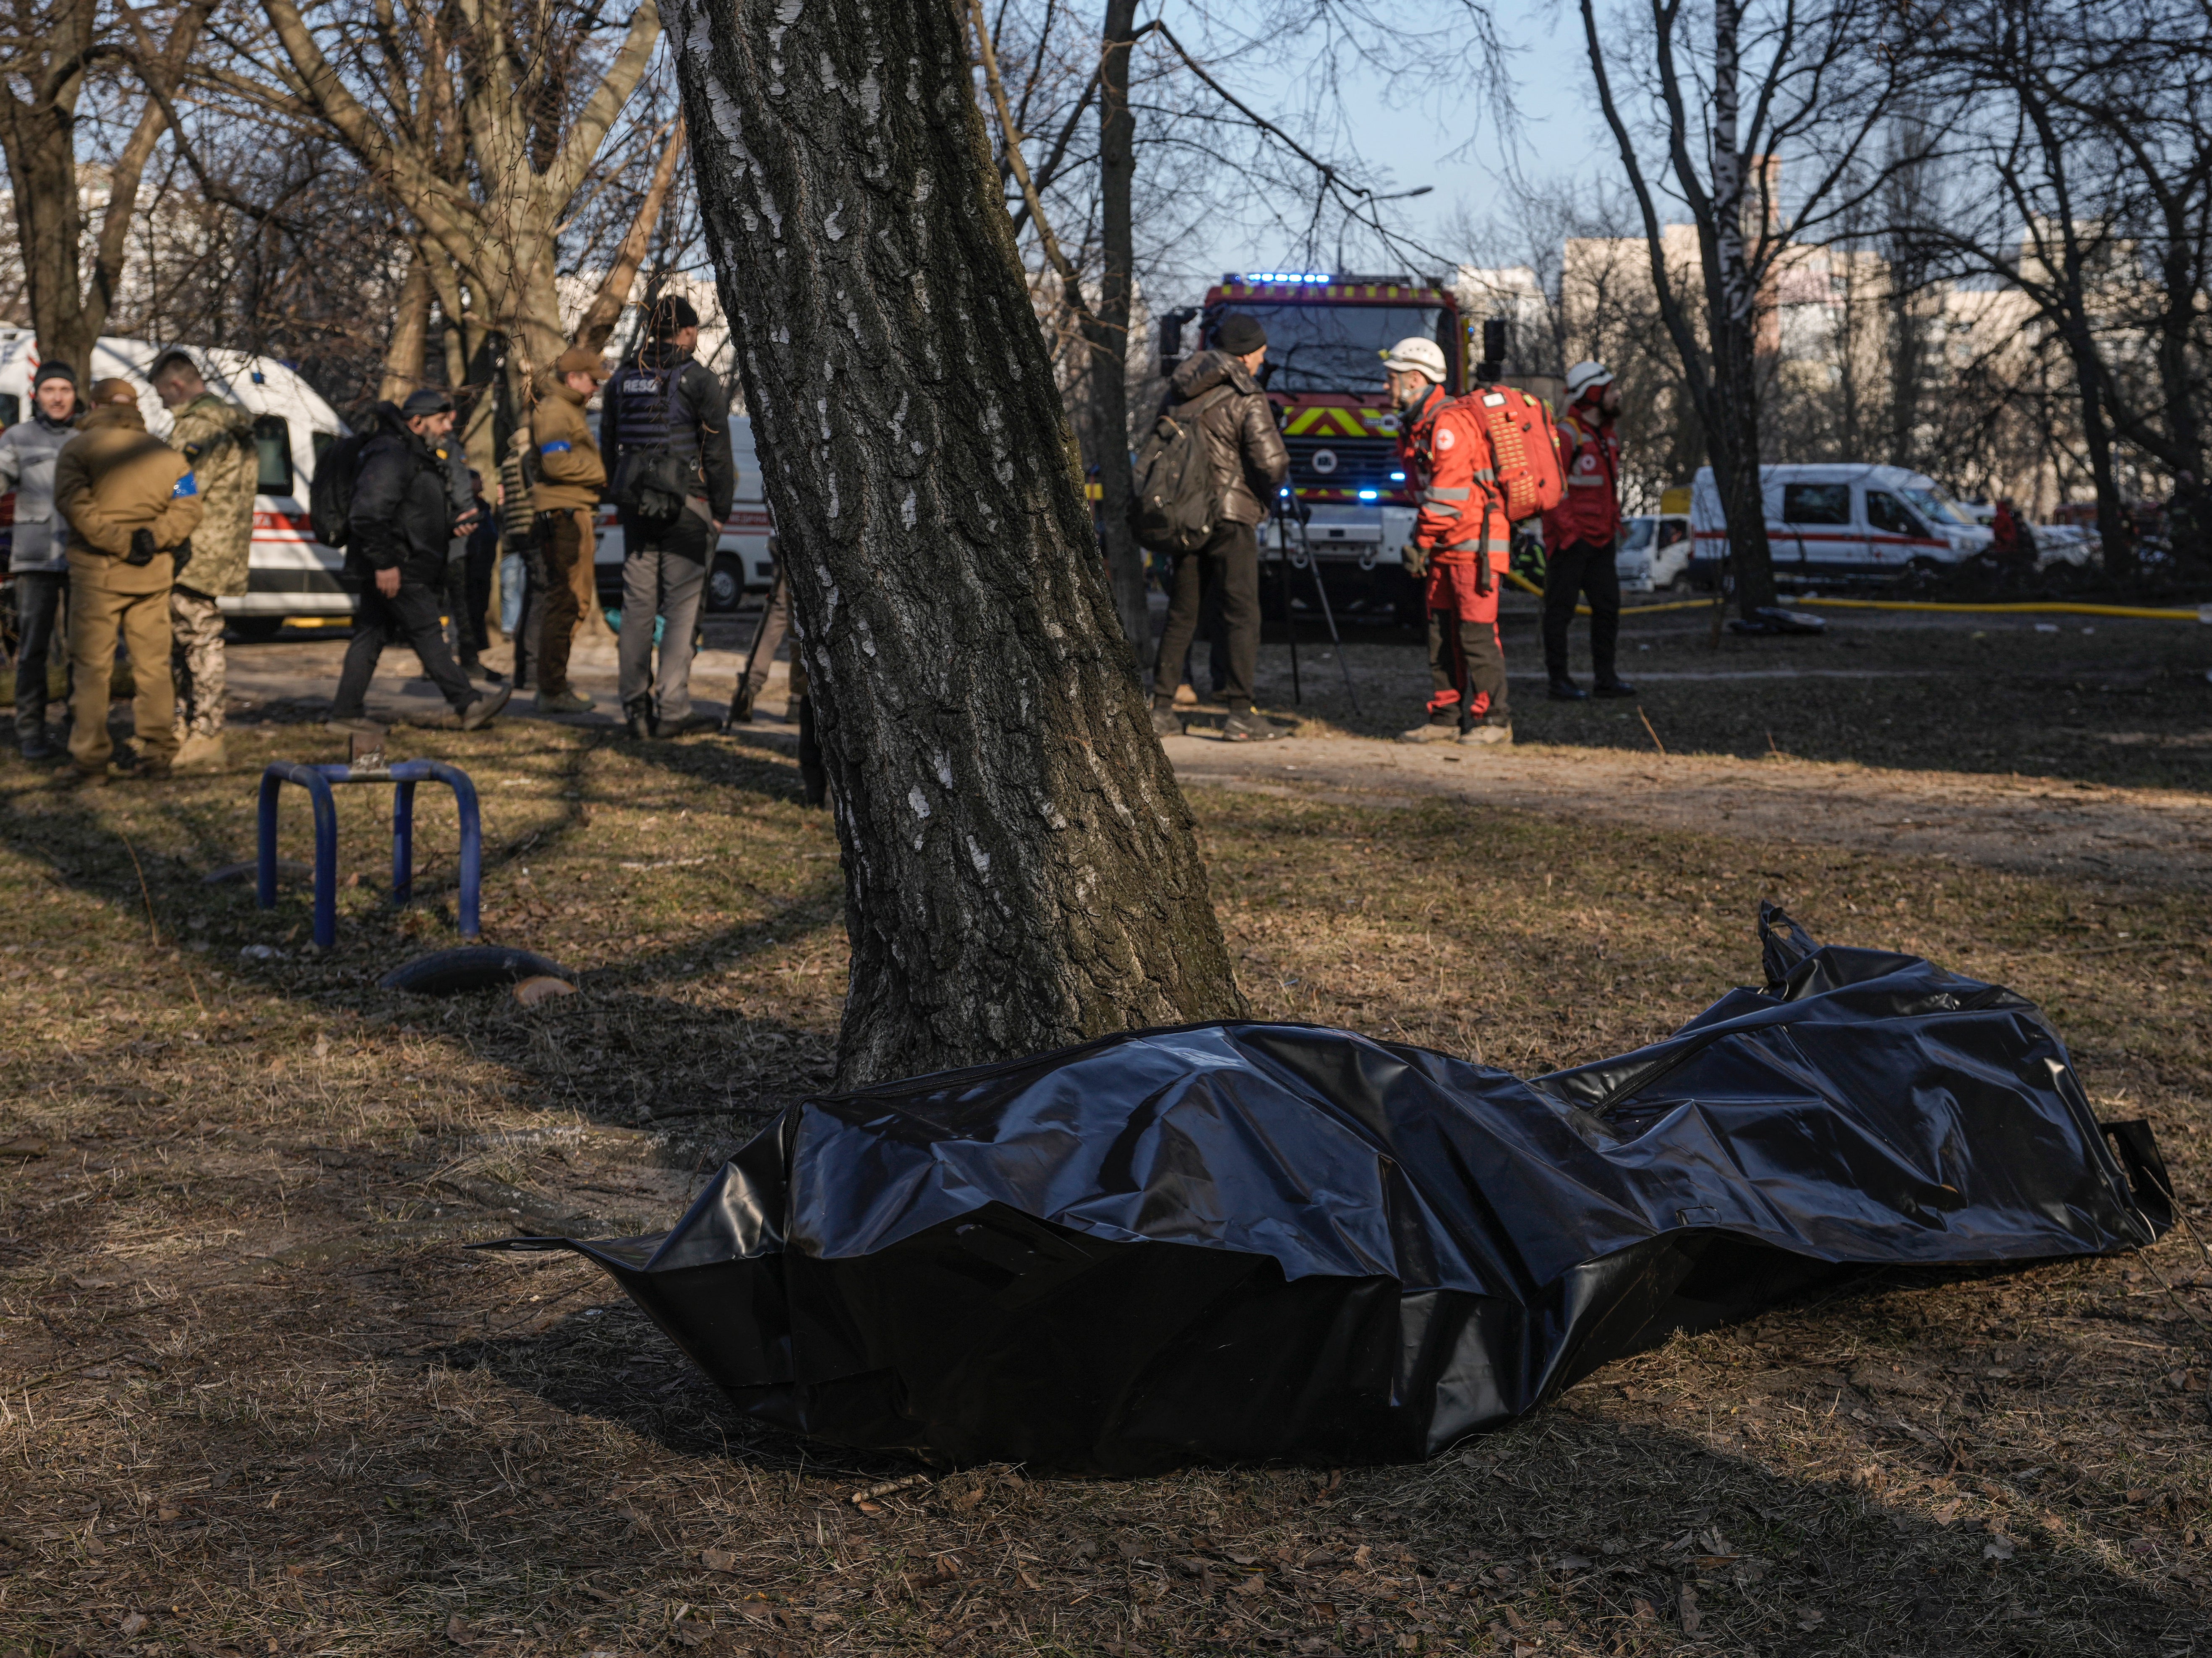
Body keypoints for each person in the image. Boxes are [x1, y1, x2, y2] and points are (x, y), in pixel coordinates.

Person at [328, 389, 510, 733]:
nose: (446, 429)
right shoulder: (391, 454)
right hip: (398, 567)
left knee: (370, 636)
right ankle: (468, 704)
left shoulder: (410, 454)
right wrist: (384, 563)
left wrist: (451, 530)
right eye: (441, 421)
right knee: (427, 632)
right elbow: (368, 514)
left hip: (400, 563)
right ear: (417, 421)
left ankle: (345, 714)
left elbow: (411, 515)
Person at [1147, 311, 1288, 742]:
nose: (1263, 362)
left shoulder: (1177, 392)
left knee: (1182, 613)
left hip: (1185, 517)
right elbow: (1273, 461)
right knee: (1241, 613)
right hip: (1231, 515)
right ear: (1245, 356)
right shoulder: (1247, 396)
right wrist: (1268, 495)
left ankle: (1162, 709)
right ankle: (1240, 714)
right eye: (1261, 354)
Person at [53, 377, 203, 784]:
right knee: (154, 667)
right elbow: (189, 506)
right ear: (135, 407)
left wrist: (117, 541)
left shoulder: (77, 449)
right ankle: (158, 755)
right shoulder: (170, 457)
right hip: (152, 574)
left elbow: (73, 503)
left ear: (95, 405)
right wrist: (152, 538)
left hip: (95, 574)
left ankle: (90, 761)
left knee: (91, 669)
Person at [601, 295, 736, 738]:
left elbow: (609, 446)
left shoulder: (622, 379)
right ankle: (673, 709)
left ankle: (634, 709)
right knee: (681, 609)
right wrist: (721, 510)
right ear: (687, 332)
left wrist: (617, 494)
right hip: (688, 507)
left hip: (637, 506)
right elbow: (717, 452)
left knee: (638, 607)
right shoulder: (698, 379)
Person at [1385, 337, 1512, 746]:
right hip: (1446, 547)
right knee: (1441, 634)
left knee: (1476, 635)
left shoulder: (1449, 424)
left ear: (1415, 379)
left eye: (1392, 379)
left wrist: (1420, 541)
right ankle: (1445, 717)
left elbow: (1448, 494)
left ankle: (1495, 721)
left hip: (1474, 548)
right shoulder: (1421, 424)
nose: (1386, 388)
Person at [149, 349, 259, 772]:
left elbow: (183, 484)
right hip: (217, 546)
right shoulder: (231, 425)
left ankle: (206, 732)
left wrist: (155, 501)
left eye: (161, 393)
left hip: (194, 548)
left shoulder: (201, 428)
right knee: (190, 638)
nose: (160, 402)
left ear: (177, 385)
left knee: (197, 638)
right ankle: (192, 727)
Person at [0, 360, 81, 761]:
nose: (57, 397)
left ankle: (77, 728)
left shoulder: (87, 437)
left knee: (82, 649)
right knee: (32, 649)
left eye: (64, 390)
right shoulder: (17, 437)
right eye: (49, 390)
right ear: (36, 394)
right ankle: (31, 731)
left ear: (75, 394)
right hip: (33, 560)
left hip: (83, 560)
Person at [1541, 361, 1634, 701]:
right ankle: (1559, 681)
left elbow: (1606, 488)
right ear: (1593, 395)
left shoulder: (1608, 434)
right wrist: (1570, 536)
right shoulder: (1566, 436)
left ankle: (1605, 679)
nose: (1616, 395)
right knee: (1559, 611)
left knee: (1608, 608)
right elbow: (1553, 491)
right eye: (1610, 390)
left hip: (1602, 539)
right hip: (1571, 542)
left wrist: (1612, 526)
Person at [528, 344, 608, 715]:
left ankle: (554, 683)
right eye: (592, 381)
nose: (595, 388)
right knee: (565, 601)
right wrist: (601, 473)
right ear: (574, 378)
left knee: (573, 601)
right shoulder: (556, 411)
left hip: (573, 511)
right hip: (564, 514)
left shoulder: (566, 409)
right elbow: (556, 462)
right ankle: (551, 688)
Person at [726, 560, 787, 725]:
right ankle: (800, 696)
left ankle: (751, 683)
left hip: (781, 541)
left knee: (779, 611)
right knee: (804, 616)